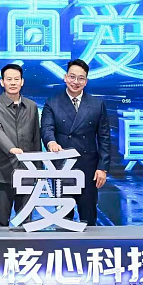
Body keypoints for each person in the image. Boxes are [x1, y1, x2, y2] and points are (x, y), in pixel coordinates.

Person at [41, 59, 111, 226]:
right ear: (65, 77)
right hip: (62, 167)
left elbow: (104, 138)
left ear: (86, 81)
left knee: (89, 216)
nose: (75, 82)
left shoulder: (96, 104)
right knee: (64, 219)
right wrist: (51, 143)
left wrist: (103, 168)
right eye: (72, 77)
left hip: (89, 168)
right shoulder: (52, 102)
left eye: (81, 78)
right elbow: (46, 128)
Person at [0, 63, 41, 227]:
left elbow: (35, 139)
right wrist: (11, 149)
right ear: (2, 82)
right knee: (1, 221)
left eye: (16, 79)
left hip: (27, 171)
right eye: (9, 79)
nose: (13, 82)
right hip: (3, 172)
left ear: (22, 82)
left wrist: (38, 169)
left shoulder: (31, 106)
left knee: (26, 221)